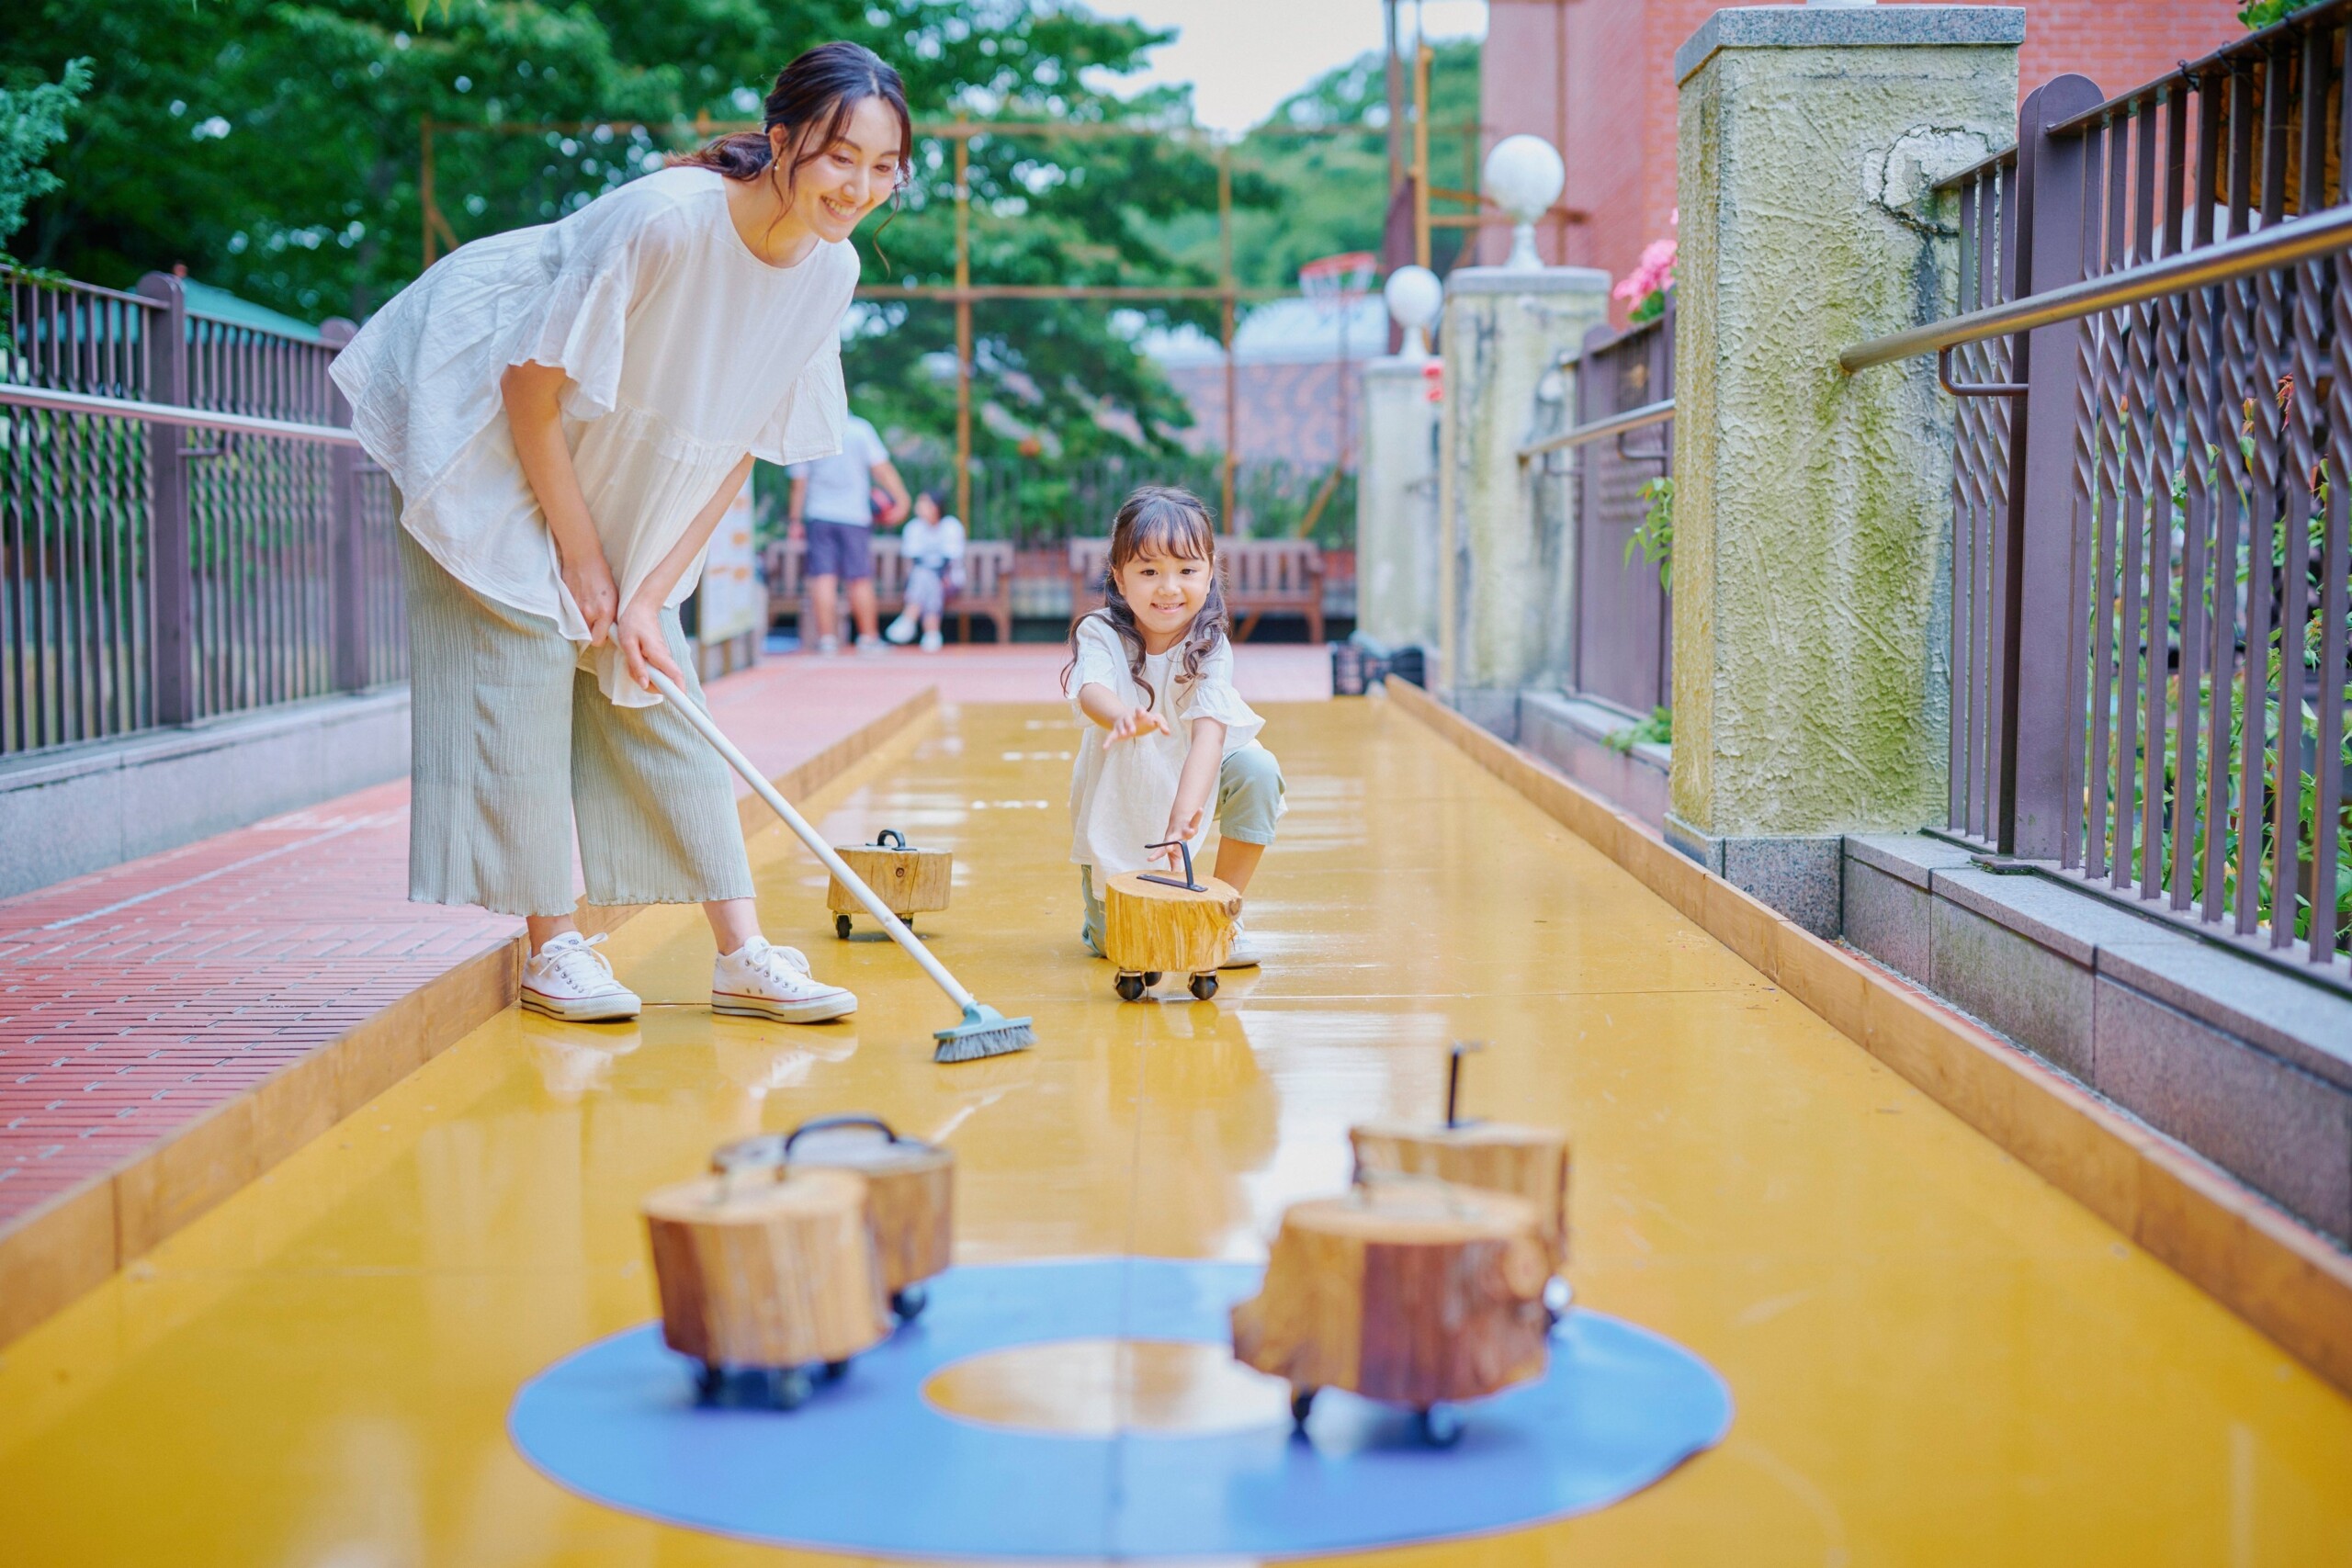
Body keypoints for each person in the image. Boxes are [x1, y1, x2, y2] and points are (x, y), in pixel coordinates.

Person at [329, 42, 911, 1026]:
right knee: (519, 672)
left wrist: (644, 594)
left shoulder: (830, 271)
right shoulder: (665, 223)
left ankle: (742, 955)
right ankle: (551, 948)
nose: (858, 187)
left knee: (650, 680)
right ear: (782, 145)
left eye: (882, 166)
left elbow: (741, 443)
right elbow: (527, 385)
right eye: (837, 157)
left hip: (606, 452)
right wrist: (583, 557)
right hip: (485, 417)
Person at [1063, 486, 1282, 969]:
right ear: (1119, 578)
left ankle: (1222, 913)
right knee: (1122, 948)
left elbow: (1211, 732)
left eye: (1186, 570)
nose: (1168, 587)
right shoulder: (1099, 631)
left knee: (1257, 770)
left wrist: (1183, 818)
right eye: (1148, 571)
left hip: (1190, 784)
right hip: (1118, 808)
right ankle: (1097, 916)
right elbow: (1090, 690)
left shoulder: (1210, 645)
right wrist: (1123, 715)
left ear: (1210, 573)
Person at [786, 405, 908, 654]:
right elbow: (882, 469)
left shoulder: (808, 433)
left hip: (819, 514)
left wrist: (795, 521)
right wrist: (902, 499)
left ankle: (828, 641)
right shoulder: (860, 429)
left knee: (823, 577)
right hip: (855, 516)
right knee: (859, 577)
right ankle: (868, 639)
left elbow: (799, 483)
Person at [885, 490, 966, 651]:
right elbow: (914, 561)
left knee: (928, 578)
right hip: (920, 580)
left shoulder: (951, 525)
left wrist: (939, 578)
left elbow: (949, 560)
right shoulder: (913, 527)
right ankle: (932, 634)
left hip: (949, 579)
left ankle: (909, 618)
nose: (919, 506)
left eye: (924, 502)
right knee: (925, 577)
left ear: (936, 506)